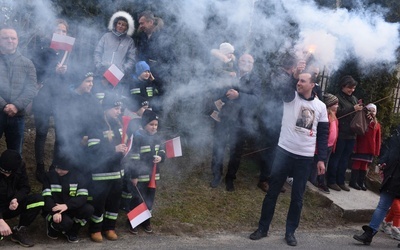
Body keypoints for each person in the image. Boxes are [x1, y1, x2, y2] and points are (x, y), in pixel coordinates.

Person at [249, 70, 328, 247]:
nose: (299, 83)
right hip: (284, 152)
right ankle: (262, 228)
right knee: (272, 193)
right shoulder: (291, 97)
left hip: (305, 158)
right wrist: (294, 75)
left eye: (303, 81)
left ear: (312, 85)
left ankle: (290, 232)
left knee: (298, 198)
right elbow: (283, 88)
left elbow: (323, 135)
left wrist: (321, 159)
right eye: (298, 80)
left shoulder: (321, 107)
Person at [210, 53, 261, 191]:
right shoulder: (229, 73)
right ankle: (216, 174)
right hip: (224, 116)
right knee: (218, 146)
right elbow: (216, 90)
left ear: (252, 65)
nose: (246, 63)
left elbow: (256, 100)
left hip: (241, 120)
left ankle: (230, 178)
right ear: (238, 62)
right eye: (243, 60)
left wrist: (239, 96)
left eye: (249, 62)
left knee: (236, 150)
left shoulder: (255, 80)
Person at [32, 19, 70, 183]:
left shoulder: (68, 52)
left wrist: (66, 72)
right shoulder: (43, 49)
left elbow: (74, 77)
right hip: (44, 96)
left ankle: (55, 165)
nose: (61, 34)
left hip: (61, 98)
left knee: (61, 134)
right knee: (41, 132)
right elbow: (35, 72)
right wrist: (52, 70)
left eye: (64, 31)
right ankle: (39, 166)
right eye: (58, 31)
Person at [86, 93, 127, 242]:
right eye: (116, 108)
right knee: (99, 203)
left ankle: (110, 228)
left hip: (117, 173)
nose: (119, 111)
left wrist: (124, 150)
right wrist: (113, 149)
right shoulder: (96, 124)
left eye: (120, 108)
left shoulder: (119, 124)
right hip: (101, 173)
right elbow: (93, 147)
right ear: (107, 108)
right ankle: (95, 229)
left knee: (114, 203)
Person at [353, 125, 400, 246]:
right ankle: (369, 234)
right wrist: (382, 162)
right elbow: (389, 150)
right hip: (392, 175)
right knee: (382, 206)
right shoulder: (397, 131)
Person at [124, 109, 165, 234]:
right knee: (137, 199)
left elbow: (163, 151)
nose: (154, 127)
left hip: (153, 176)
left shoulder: (158, 137)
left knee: (149, 199)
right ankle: (133, 222)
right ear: (144, 124)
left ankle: (146, 222)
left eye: (156, 125)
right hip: (140, 175)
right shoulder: (138, 136)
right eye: (151, 124)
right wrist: (134, 176)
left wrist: (161, 157)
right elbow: (134, 158)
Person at [0, 27, 37, 154]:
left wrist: (16, 105)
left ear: (17, 40)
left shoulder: (27, 63)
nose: (10, 40)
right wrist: (4, 105)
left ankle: (15, 175)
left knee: (15, 154)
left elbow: (32, 88)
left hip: (18, 116)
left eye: (13, 38)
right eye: (5, 38)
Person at [42, 155, 94, 243]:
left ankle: (72, 231)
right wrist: (55, 212)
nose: (58, 171)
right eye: (57, 168)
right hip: (54, 209)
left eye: (62, 169)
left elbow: (83, 197)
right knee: (65, 223)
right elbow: (47, 197)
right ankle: (52, 228)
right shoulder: (49, 176)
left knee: (89, 209)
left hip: (70, 207)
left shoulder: (78, 176)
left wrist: (67, 205)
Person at [0, 149, 44, 247]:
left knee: (38, 199)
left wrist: (16, 199)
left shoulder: (20, 166)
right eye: (3, 172)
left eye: (9, 172)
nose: (6, 175)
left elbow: (25, 187)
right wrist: (0, 220)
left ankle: (20, 230)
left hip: (11, 205)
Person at [327, 75, 363, 192]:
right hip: (341, 133)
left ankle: (341, 181)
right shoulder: (337, 98)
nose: (351, 90)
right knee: (336, 157)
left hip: (352, 134)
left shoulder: (354, 98)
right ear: (343, 86)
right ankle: (331, 181)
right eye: (349, 87)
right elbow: (338, 114)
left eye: (353, 88)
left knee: (345, 159)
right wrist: (353, 109)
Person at [93, 11, 135, 96]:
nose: (120, 26)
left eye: (123, 25)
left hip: (118, 75)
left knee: (113, 98)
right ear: (115, 24)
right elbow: (97, 52)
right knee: (99, 95)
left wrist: (122, 69)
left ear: (126, 27)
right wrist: (99, 64)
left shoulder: (129, 41)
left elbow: (131, 59)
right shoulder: (106, 36)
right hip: (102, 72)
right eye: (119, 23)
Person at [309, 93, 339, 193]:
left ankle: (321, 181)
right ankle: (313, 181)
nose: (337, 106)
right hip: (322, 146)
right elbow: (323, 133)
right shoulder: (325, 116)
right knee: (317, 164)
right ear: (330, 105)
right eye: (335, 104)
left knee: (324, 164)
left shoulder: (334, 115)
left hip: (330, 146)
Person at [349, 103, 381, 191]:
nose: (372, 112)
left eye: (374, 111)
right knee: (357, 163)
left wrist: (376, 151)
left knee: (365, 165)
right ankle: (353, 181)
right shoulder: (362, 121)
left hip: (370, 148)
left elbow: (378, 139)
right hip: (361, 147)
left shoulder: (377, 125)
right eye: (370, 110)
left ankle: (360, 181)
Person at [208, 42, 237, 121]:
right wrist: (229, 74)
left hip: (227, 82)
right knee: (220, 96)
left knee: (226, 96)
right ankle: (214, 113)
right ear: (224, 53)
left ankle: (218, 113)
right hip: (219, 82)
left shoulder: (230, 60)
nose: (230, 55)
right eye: (229, 53)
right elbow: (217, 71)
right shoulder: (219, 60)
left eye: (231, 53)